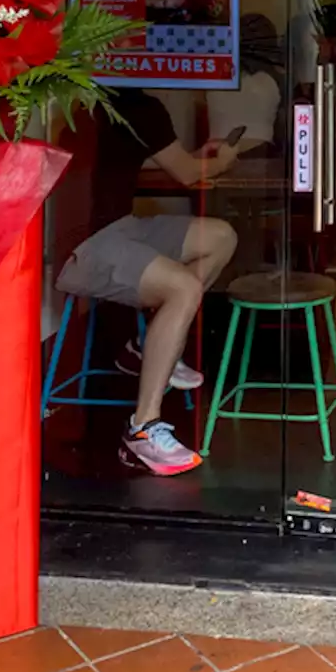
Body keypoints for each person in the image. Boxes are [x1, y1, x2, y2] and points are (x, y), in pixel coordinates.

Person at [56, 89, 243, 477]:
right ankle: (142, 430)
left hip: (119, 228)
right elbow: (190, 174)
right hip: (87, 243)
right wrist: (224, 158)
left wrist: (197, 159)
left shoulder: (96, 99)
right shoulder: (140, 105)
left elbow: (169, 165)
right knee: (185, 289)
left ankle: (150, 345)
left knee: (221, 236)